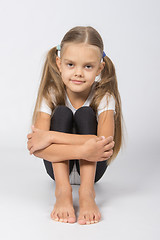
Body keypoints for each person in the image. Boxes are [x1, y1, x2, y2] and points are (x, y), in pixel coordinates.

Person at [27, 26, 124, 225]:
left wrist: (51, 137)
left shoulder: (104, 97)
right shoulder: (52, 94)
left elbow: (103, 147)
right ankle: (63, 191)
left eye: (88, 66)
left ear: (100, 68)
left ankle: (87, 193)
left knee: (86, 113)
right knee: (62, 112)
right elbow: (37, 149)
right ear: (59, 63)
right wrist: (84, 148)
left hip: (93, 169)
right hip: (56, 169)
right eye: (71, 64)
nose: (78, 73)